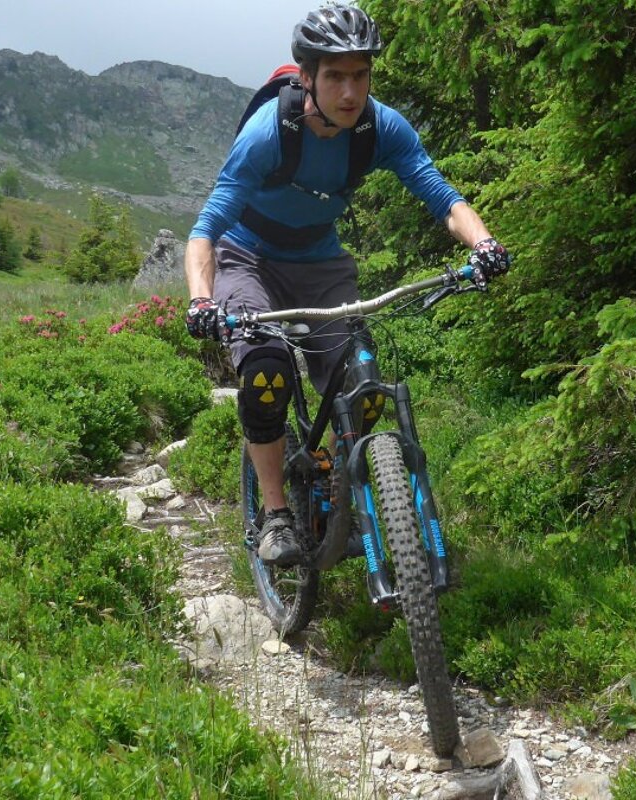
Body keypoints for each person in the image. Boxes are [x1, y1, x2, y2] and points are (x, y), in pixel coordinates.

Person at [184, 4, 510, 567]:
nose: (350, 90)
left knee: (363, 380)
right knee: (265, 373)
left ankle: (345, 490)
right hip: (248, 258)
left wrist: (483, 244)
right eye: (335, 75)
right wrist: (201, 299)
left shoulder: (379, 128)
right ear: (306, 76)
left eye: (360, 74)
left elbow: (439, 193)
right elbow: (207, 228)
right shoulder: (270, 133)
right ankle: (277, 515)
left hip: (321, 261)